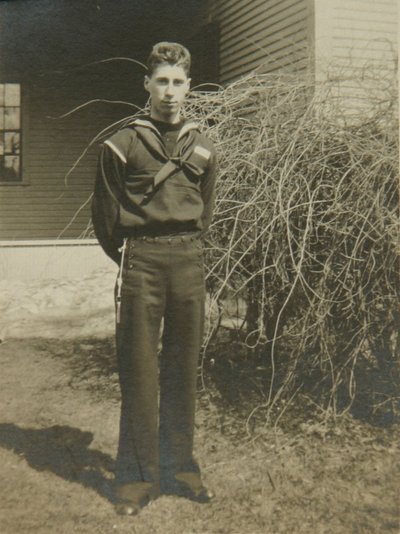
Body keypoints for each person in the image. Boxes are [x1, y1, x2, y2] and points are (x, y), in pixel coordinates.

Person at [91, 42, 218, 516]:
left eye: (178, 82)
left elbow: (205, 210)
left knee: (184, 369)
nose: (169, 92)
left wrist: (184, 249)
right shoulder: (121, 144)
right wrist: (133, 256)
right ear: (146, 85)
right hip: (141, 263)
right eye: (161, 81)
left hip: (188, 262)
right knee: (140, 373)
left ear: (189, 86)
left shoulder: (203, 145)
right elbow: (105, 220)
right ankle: (136, 481)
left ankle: (181, 471)